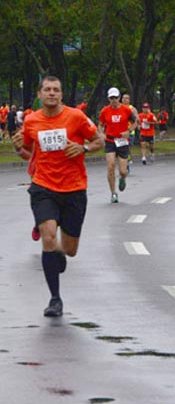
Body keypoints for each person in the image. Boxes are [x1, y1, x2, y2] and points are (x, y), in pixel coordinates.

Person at [12, 75, 104, 316]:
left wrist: (83, 147)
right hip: (44, 187)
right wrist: (17, 146)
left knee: (70, 249)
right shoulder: (31, 121)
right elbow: (28, 153)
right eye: (47, 90)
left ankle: (60, 254)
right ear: (40, 94)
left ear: (61, 94)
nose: (51, 93)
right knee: (49, 237)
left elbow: (99, 140)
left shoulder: (75, 117)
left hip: (74, 188)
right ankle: (55, 299)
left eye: (56, 90)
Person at [99, 87, 136, 203]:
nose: (114, 100)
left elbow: (135, 122)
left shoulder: (126, 110)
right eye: (111, 98)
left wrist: (128, 131)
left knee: (123, 171)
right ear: (108, 98)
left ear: (119, 98)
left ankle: (122, 179)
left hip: (122, 141)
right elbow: (100, 125)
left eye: (115, 97)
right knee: (110, 167)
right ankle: (113, 193)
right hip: (110, 141)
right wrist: (102, 134)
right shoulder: (105, 111)